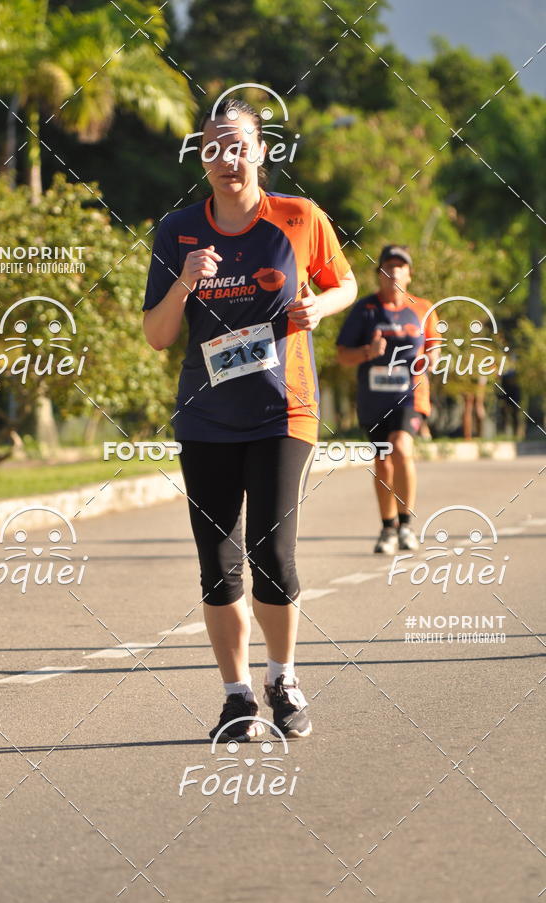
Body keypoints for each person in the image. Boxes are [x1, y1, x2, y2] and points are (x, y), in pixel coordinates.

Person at [142, 98, 357, 740]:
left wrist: (323, 307)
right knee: (218, 563)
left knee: (273, 554)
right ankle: (236, 698)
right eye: (213, 147)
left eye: (238, 146)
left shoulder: (298, 217)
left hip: (282, 409)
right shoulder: (178, 229)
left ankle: (282, 677)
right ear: (200, 156)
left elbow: (342, 282)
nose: (227, 158)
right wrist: (184, 281)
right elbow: (156, 335)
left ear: (261, 152)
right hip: (206, 416)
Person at [336, 246, 439, 554]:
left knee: (401, 448)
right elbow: (343, 354)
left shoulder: (423, 308)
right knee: (382, 462)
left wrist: (432, 358)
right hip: (373, 400)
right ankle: (388, 528)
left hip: (411, 395)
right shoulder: (365, 310)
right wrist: (368, 352)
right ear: (379, 274)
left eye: (400, 266)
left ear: (409, 274)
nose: (394, 271)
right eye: (388, 267)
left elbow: (434, 345)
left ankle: (406, 525)